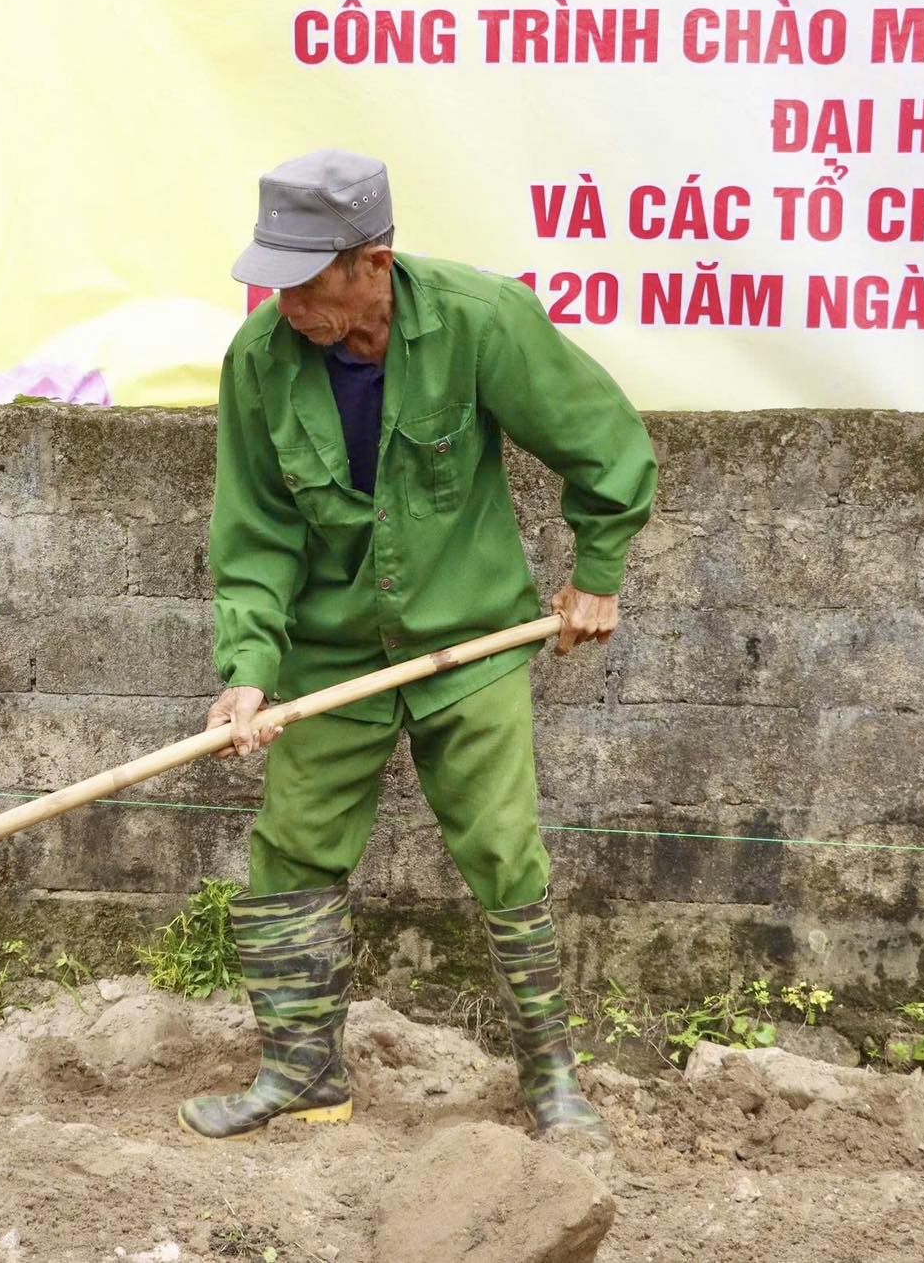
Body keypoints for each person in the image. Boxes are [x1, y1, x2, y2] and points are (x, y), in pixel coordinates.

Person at [181, 150, 657, 1150]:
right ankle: (299, 1071)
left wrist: (597, 569)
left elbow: (600, 440)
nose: (285, 303)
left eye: (305, 281)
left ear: (374, 264)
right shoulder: (260, 362)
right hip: (328, 654)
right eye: (273, 279)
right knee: (292, 847)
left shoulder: (480, 322)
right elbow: (256, 536)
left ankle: (551, 1083)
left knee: (499, 845)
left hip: (470, 639)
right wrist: (249, 671)